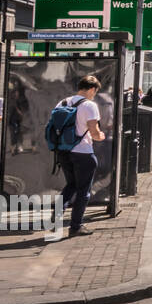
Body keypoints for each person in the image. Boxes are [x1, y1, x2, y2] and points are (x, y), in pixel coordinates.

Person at [56, 76, 106, 237]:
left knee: (70, 184)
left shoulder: (63, 102)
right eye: (95, 91)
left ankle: (56, 215)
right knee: (84, 190)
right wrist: (101, 136)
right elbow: (94, 132)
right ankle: (76, 226)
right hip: (83, 152)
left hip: (63, 151)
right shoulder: (90, 105)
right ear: (92, 89)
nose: (94, 95)